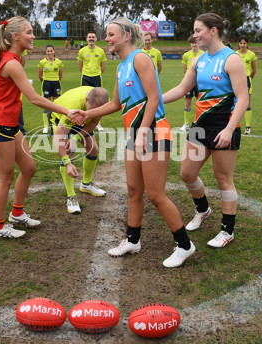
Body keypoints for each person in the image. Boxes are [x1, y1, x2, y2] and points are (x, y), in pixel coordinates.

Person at [77, 17, 195, 268]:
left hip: (153, 132)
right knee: (133, 190)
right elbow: (115, 104)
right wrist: (88, 114)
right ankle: (133, 240)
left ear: (126, 36)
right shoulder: (122, 66)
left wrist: (142, 131)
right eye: (105, 34)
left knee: (155, 194)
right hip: (137, 134)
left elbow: (154, 98)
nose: (105, 38)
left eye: (110, 34)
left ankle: (185, 245)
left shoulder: (141, 58)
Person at [0, 16, 78, 239]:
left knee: (29, 168)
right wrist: (66, 110)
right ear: (15, 36)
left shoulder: (14, 58)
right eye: (29, 32)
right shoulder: (12, 63)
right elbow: (34, 98)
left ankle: (17, 213)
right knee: (4, 178)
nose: (33, 36)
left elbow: (21, 51)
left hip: (9, 125)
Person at [162, 13, 248, 249]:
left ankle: (227, 231)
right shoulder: (198, 60)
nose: (195, 35)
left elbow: (243, 98)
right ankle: (203, 210)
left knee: (223, 180)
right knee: (187, 173)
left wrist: (230, 129)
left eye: (199, 30)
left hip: (224, 126)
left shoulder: (232, 60)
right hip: (200, 126)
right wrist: (154, 100)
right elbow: (182, 88)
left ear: (213, 31)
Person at [51, 86, 110, 213]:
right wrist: (67, 161)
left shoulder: (101, 104)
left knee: (93, 150)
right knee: (68, 152)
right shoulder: (73, 105)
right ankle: (71, 196)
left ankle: (86, 184)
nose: (94, 112)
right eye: (91, 109)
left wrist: (76, 137)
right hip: (64, 117)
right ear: (86, 99)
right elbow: (59, 137)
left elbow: (94, 122)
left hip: (82, 120)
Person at [77, 31, 107, 131]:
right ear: (86, 39)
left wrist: (96, 73)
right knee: (85, 99)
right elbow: (80, 66)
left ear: (96, 39)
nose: (91, 39)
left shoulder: (101, 51)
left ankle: (97, 123)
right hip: (86, 77)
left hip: (97, 77)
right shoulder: (82, 51)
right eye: (89, 37)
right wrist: (86, 73)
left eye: (93, 37)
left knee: (98, 100)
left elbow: (103, 66)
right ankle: (83, 120)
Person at [179, 35, 204, 132]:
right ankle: (185, 124)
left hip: (200, 83)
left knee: (200, 103)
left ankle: (198, 122)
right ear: (190, 44)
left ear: (199, 43)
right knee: (187, 103)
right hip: (189, 83)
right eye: (192, 43)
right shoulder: (186, 55)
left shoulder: (203, 54)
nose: (194, 44)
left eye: (196, 42)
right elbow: (184, 70)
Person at [38, 44, 64, 134]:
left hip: (56, 83)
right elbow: (40, 76)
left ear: (54, 51)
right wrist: (46, 81)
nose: (50, 52)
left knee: (57, 104)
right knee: (46, 105)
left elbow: (60, 75)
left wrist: (55, 80)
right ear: (46, 52)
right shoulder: (42, 62)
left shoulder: (59, 62)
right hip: (46, 84)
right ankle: (46, 126)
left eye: (51, 50)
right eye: (48, 51)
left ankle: (57, 123)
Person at [236, 36, 258, 135]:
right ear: (238, 44)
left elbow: (254, 70)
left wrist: (249, 78)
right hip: (236, 80)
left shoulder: (251, 54)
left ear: (247, 44)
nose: (242, 45)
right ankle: (236, 125)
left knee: (247, 103)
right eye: (241, 43)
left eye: (244, 43)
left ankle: (248, 127)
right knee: (235, 103)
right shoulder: (234, 54)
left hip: (247, 80)